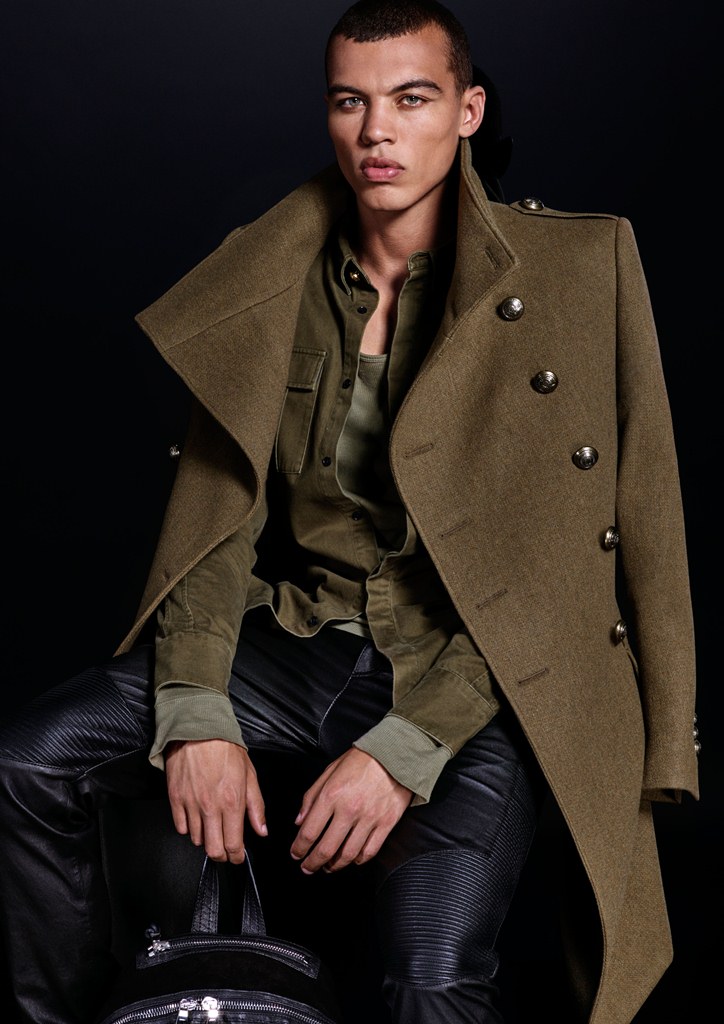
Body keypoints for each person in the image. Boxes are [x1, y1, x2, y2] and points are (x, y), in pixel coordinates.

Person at [0, 1, 700, 1022]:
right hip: (294, 644)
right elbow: (217, 518)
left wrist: (407, 748)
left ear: (466, 111)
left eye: (410, 99)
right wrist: (196, 711)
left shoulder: (578, 270)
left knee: (430, 969)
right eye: (349, 101)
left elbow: (596, 542)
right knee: (27, 760)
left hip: (481, 674)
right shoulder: (269, 275)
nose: (377, 131)